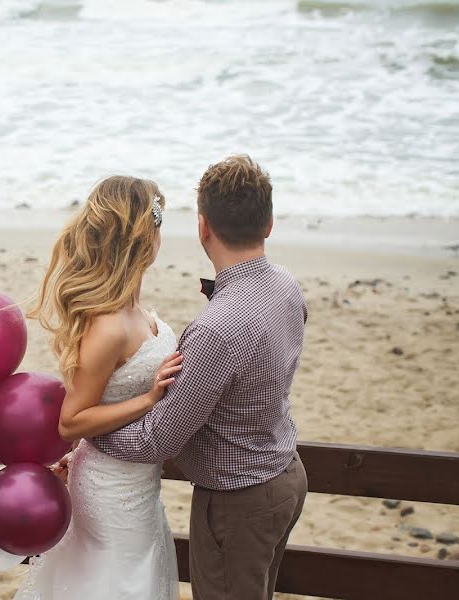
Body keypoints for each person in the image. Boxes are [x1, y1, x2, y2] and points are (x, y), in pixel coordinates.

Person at [91, 155, 308, 600]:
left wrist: (90, 439)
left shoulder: (215, 329)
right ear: (268, 224)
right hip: (287, 476)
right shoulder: (286, 285)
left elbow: (158, 441)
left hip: (239, 500)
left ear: (202, 226)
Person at [15, 175, 183, 600]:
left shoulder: (138, 309)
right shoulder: (108, 325)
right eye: (158, 222)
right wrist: (148, 400)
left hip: (141, 484)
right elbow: (72, 421)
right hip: (110, 490)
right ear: (144, 235)